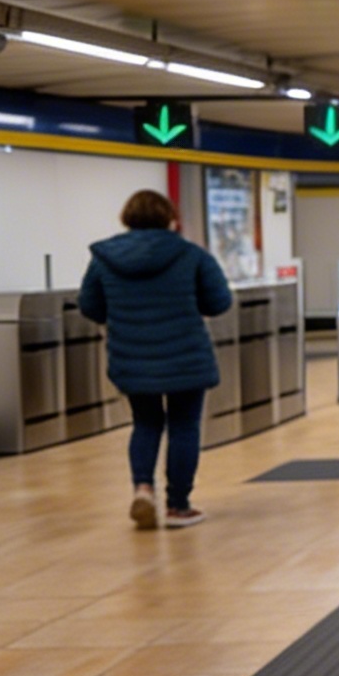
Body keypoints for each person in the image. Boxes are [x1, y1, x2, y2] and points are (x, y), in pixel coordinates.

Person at [78, 189, 232, 530]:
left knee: (145, 423)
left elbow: (90, 306)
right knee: (184, 426)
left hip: (132, 355)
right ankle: (178, 506)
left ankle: (143, 488)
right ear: (169, 217)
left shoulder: (104, 258)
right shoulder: (191, 254)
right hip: (185, 356)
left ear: (127, 218)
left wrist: (124, 314)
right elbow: (219, 301)